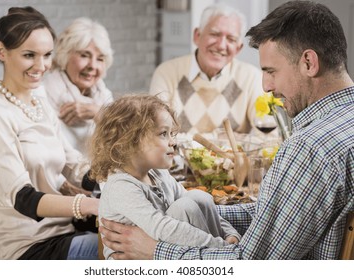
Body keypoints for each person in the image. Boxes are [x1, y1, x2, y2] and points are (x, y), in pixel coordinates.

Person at [99, 1, 354, 259]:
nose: (265, 86)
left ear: (309, 62)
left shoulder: (308, 149)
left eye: (271, 71)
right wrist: (204, 212)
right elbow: (277, 216)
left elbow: (247, 265)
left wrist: (155, 251)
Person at [0, 6, 100, 260]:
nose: (41, 66)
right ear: (2, 52)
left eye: (47, 55)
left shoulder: (38, 103)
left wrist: (116, 177)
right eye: (29, 55)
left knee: (135, 236)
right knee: (125, 249)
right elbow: (24, 198)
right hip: (29, 248)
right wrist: (90, 205)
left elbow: (72, 163)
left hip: (63, 232)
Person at [89, 94, 241, 259]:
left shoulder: (158, 174)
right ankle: (219, 260)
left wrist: (229, 235)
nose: (173, 142)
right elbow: (163, 229)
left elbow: (195, 205)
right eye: (163, 134)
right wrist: (220, 247)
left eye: (172, 133)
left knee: (198, 197)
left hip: (167, 254)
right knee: (185, 207)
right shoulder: (121, 186)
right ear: (130, 141)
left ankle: (219, 262)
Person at [149, 3, 263, 135]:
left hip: (230, 156)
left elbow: (267, 138)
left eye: (231, 39)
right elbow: (156, 131)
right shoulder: (166, 73)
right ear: (197, 36)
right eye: (214, 34)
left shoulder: (252, 78)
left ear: (238, 48)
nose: (221, 45)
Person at [43, 17, 114, 154]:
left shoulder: (104, 96)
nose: (92, 66)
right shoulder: (45, 94)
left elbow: (125, 144)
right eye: (84, 55)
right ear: (66, 55)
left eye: (100, 59)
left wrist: (98, 113)